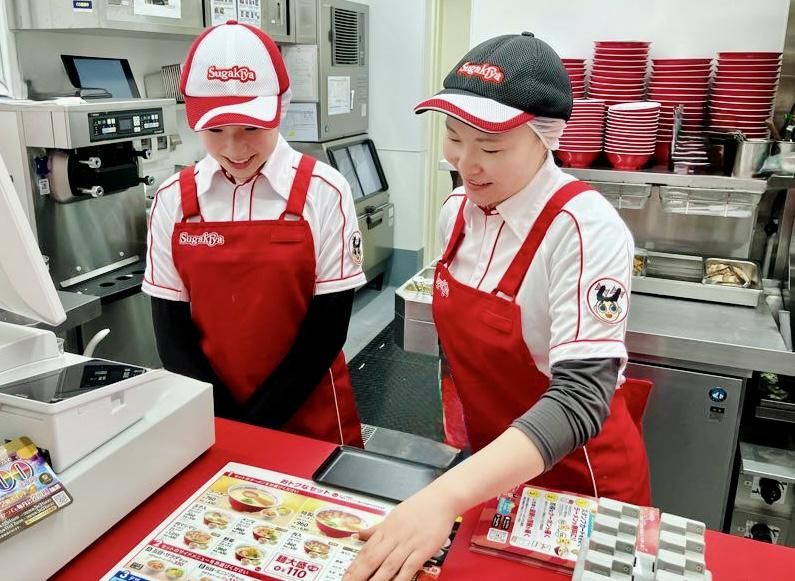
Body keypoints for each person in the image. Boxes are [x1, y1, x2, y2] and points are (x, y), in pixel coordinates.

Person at [343, 32, 650, 580]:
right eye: (454, 137)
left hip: (580, 484)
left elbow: (582, 397)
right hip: (492, 476)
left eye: (491, 147)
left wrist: (444, 496)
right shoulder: (458, 211)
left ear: (546, 139)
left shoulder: (583, 228)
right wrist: (464, 464)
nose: (467, 164)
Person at [143, 20, 366, 446]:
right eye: (215, 131)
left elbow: (327, 330)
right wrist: (228, 423)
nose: (234, 149)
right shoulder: (173, 199)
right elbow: (172, 336)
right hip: (212, 413)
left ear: (281, 108)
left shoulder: (324, 191)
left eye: (251, 128)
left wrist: (253, 428)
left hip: (309, 411)